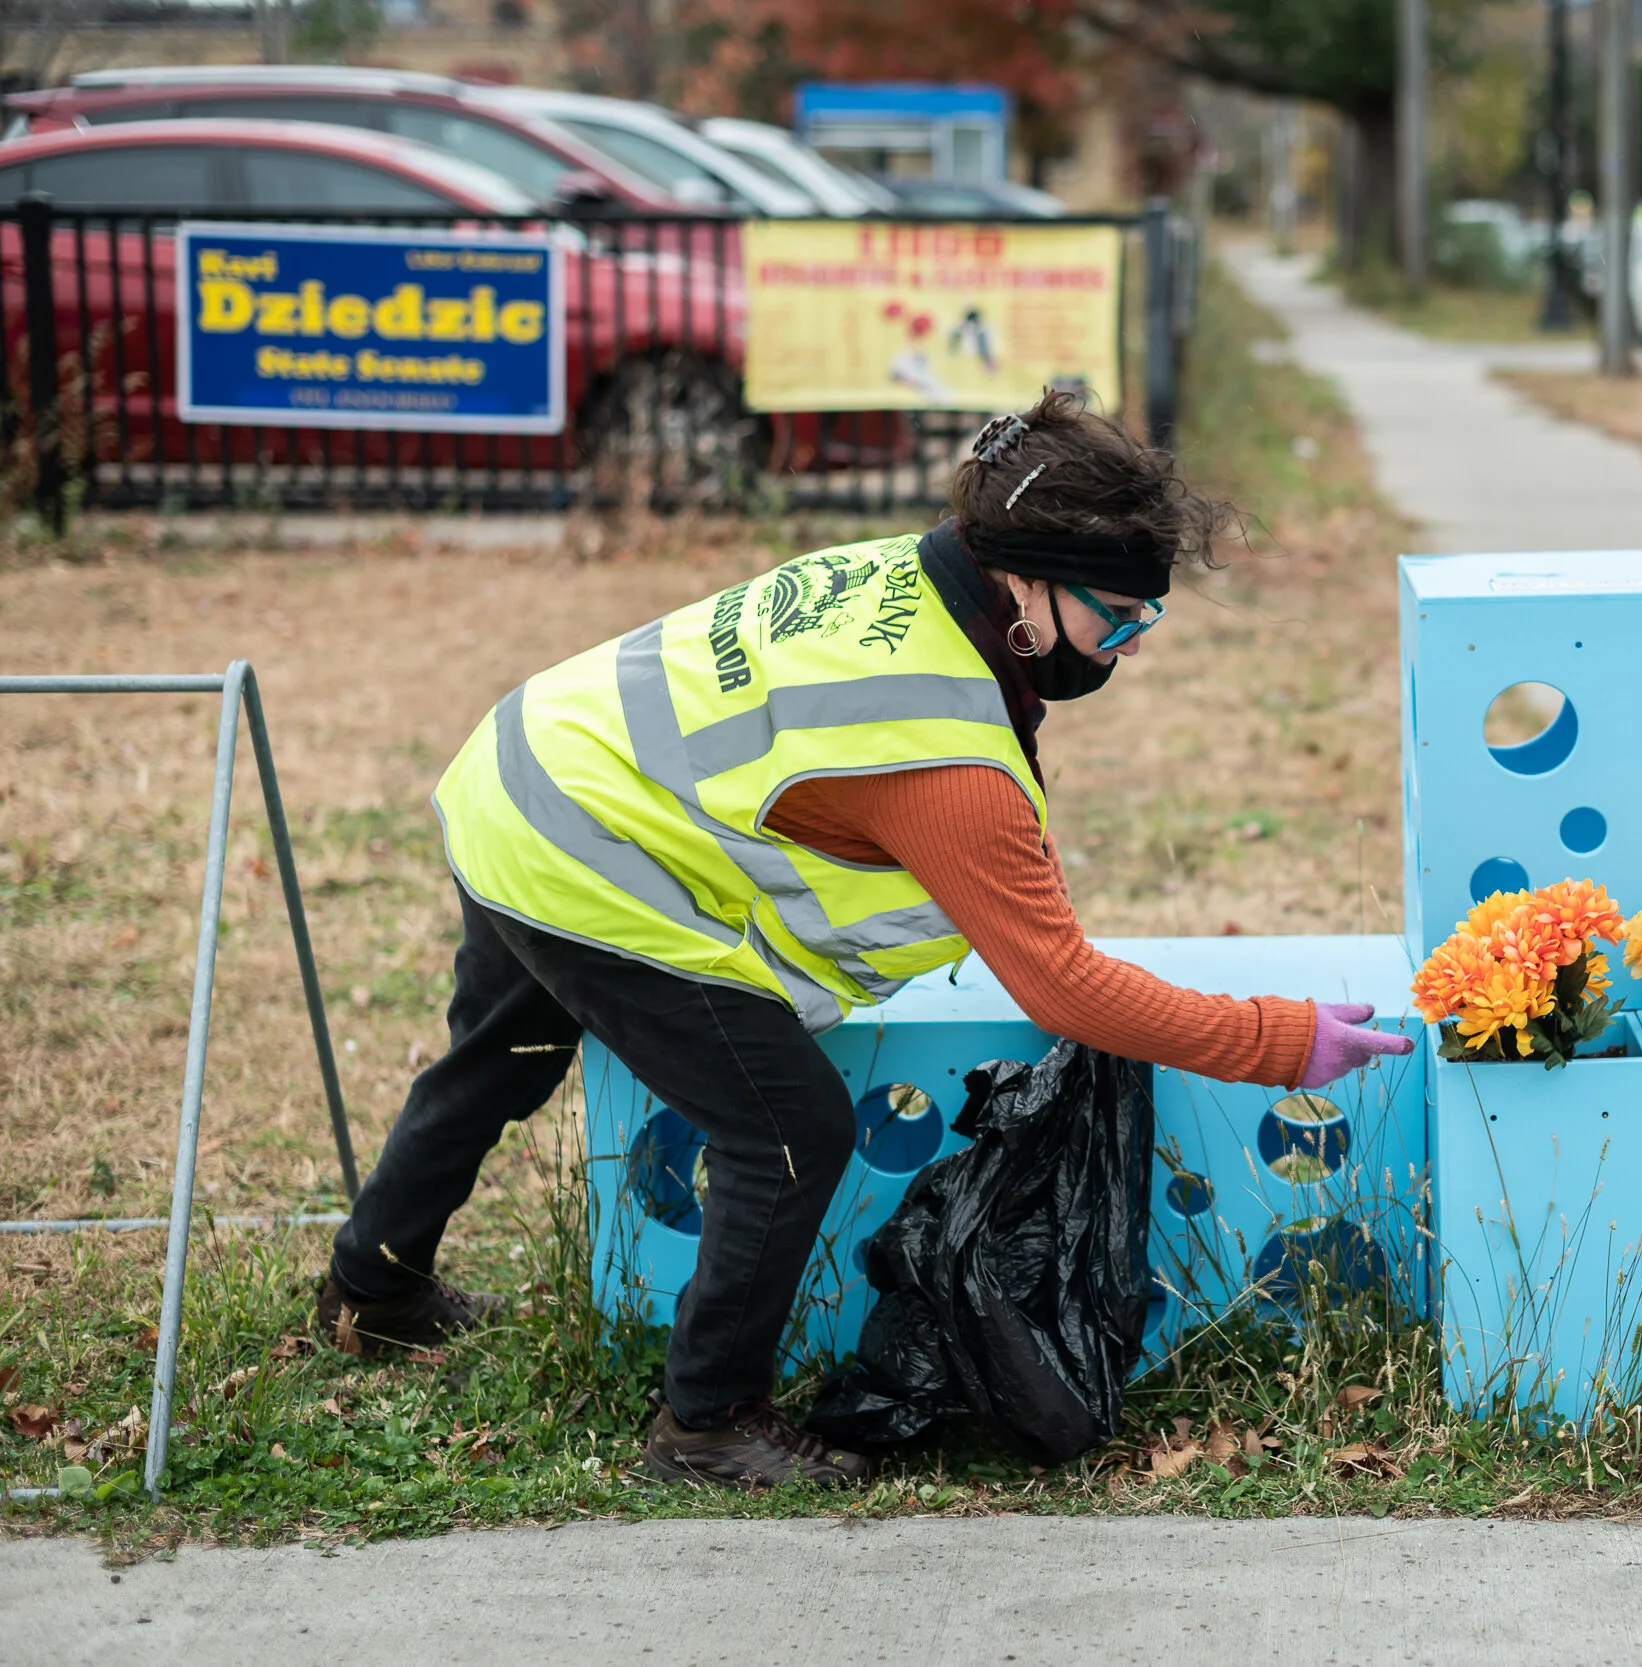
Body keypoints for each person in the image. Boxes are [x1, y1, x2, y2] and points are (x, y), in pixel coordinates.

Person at [314, 391, 1414, 1488]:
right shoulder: (938, 750)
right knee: (787, 1129)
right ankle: (707, 1423)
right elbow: (1065, 988)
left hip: (525, 765)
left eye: (1144, 620)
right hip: (585, 848)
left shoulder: (923, 572)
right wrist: (1281, 1040)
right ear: (1025, 581)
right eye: (1117, 618)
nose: (1127, 646)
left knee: (496, 1060)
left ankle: (372, 1289)